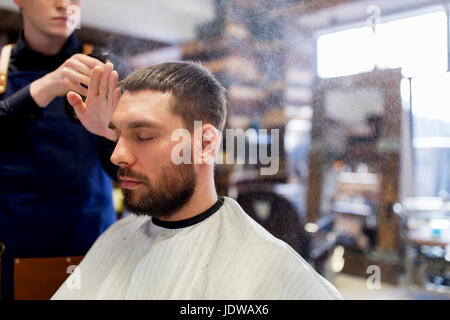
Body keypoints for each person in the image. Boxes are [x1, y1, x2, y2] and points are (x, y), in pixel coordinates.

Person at [52, 61, 342, 299]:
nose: (117, 156)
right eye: (117, 135)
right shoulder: (117, 236)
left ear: (205, 145)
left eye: (143, 136)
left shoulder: (265, 266)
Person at [0, 0, 130, 300]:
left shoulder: (108, 67)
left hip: (93, 250)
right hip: (11, 253)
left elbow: (124, 172)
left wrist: (111, 131)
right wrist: (47, 86)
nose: (64, 4)